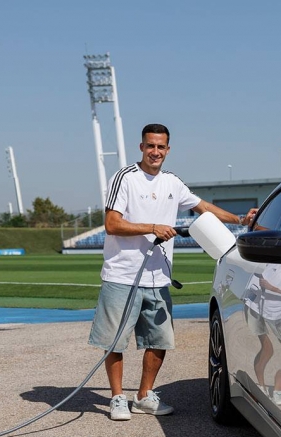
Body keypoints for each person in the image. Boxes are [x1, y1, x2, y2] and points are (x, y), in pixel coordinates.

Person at [89, 123, 256, 421]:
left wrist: (239, 218)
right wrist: (152, 228)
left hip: (158, 277)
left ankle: (143, 396)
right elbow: (112, 224)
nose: (155, 152)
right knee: (114, 341)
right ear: (141, 147)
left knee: (159, 339)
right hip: (122, 276)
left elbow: (202, 206)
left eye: (161, 147)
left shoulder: (172, 183)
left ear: (168, 149)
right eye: (150, 146)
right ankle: (117, 397)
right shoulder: (124, 178)